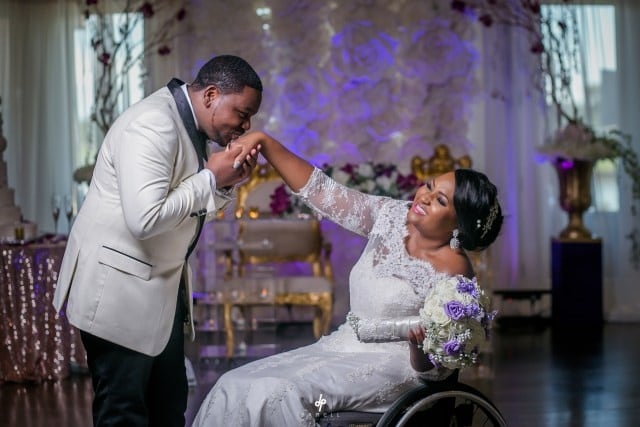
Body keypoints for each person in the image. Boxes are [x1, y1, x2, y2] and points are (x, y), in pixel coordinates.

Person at [191, 131, 504, 426]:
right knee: (234, 383)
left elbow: (437, 372)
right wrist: (266, 143)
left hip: (397, 371)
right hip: (341, 347)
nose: (424, 196)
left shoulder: (455, 272)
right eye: (429, 185)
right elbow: (323, 192)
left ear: (458, 226)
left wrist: (419, 349)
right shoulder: (390, 215)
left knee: (285, 393)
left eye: (440, 200)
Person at [52, 55, 266, 427]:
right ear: (212, 95)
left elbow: (184, 206)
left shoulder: (188, 124)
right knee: (124, 413)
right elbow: (145, 219)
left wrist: (226, 182)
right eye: (243, 113)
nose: (245, 127)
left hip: (157, 294)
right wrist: (210, 179)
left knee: (168, 407)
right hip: (119, 292)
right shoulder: (153, 124)